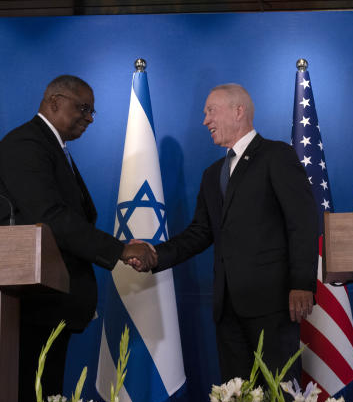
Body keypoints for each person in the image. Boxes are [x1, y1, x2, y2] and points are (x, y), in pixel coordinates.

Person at [0, 74, 151, 402]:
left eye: (92, 112)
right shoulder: (25, 145)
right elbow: (50, 218)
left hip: (48, 302)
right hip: (28, 304)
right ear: (54, 101)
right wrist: (119, 250)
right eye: (83, 108)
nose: (89, 118)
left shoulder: (52, 147)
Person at [132, 83, 318, 382]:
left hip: (272, 303)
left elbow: (303, 221)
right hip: (227, 307)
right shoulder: (212, 174)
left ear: (238, 111)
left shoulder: (276, 155)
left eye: (210, 111)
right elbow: (200, 232)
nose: (205, 120)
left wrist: (302, 282)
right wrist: (156, 256)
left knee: (280, 398)